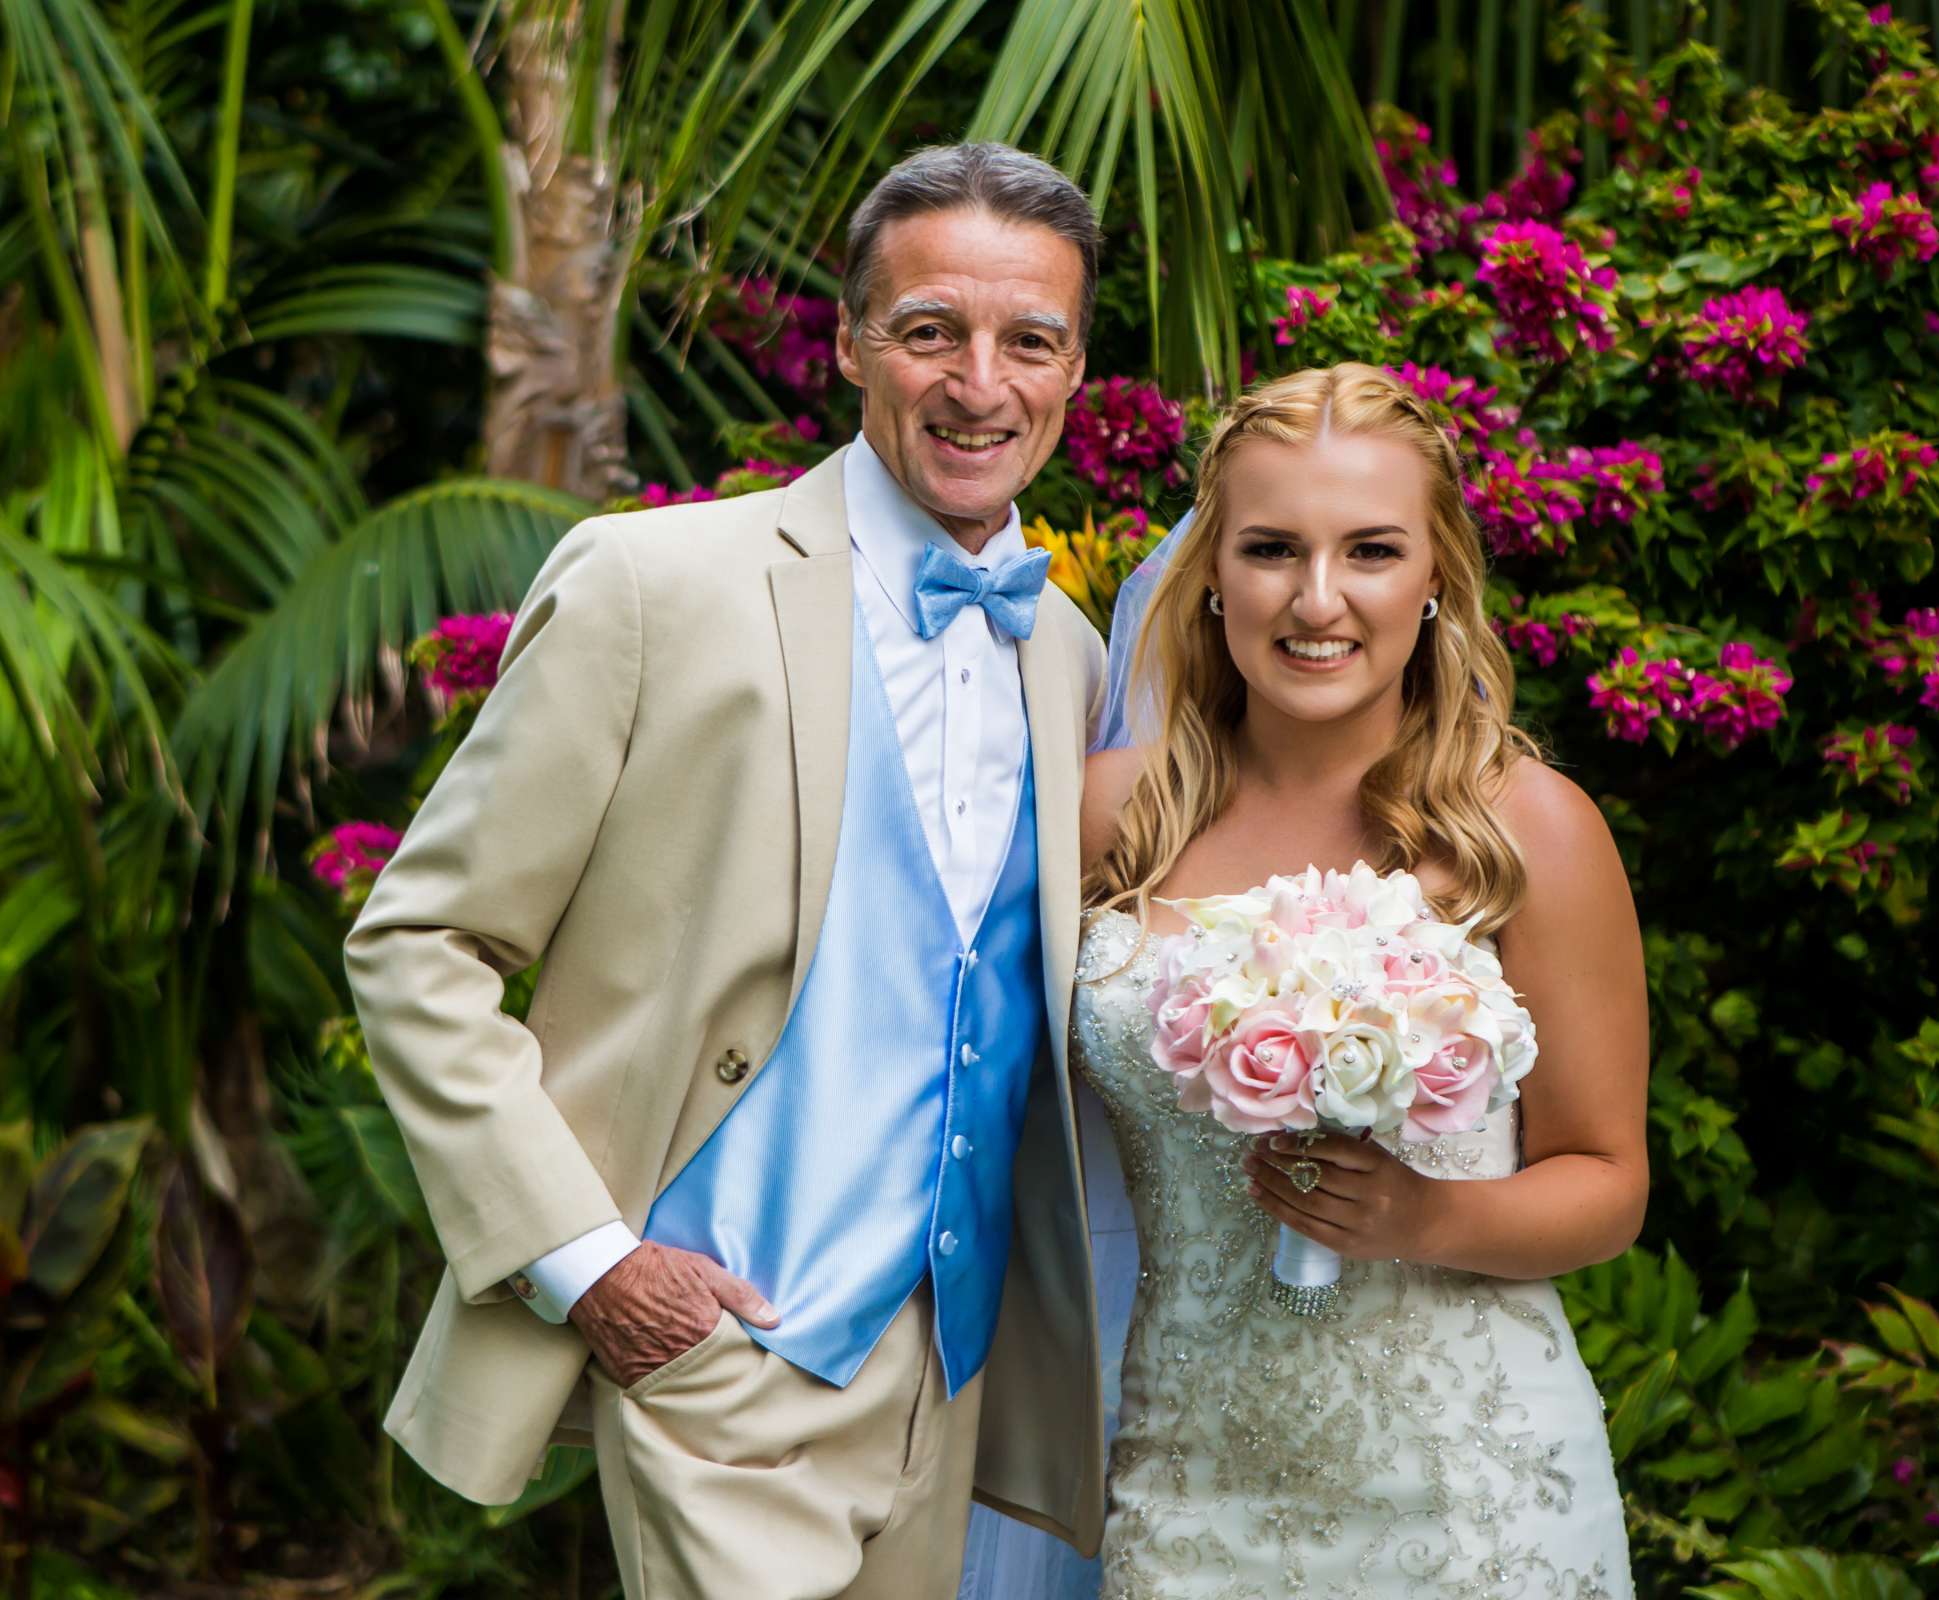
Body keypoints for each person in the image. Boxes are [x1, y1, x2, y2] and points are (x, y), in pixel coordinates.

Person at [342, 142, 1113, 1600]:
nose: (979, 384)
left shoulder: (1063, 653)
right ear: (849, 342)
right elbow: (417, 945)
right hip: (723, 1354)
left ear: (1075, 370)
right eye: (930, 331)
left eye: (1031, 341)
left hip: (952, 1374)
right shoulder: (656, 587)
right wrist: (589, 1262)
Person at [1072, 363, 1644, 1595]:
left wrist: (1429, 1217)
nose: (1315, 599)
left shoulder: (1529, 829)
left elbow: (1609, 1181)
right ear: (1210, 575)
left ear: (1435, 576)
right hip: (1189, 1482)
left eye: (1371, 551)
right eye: (1271, 548)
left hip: (1473, 1496)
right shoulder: (1108, 819)